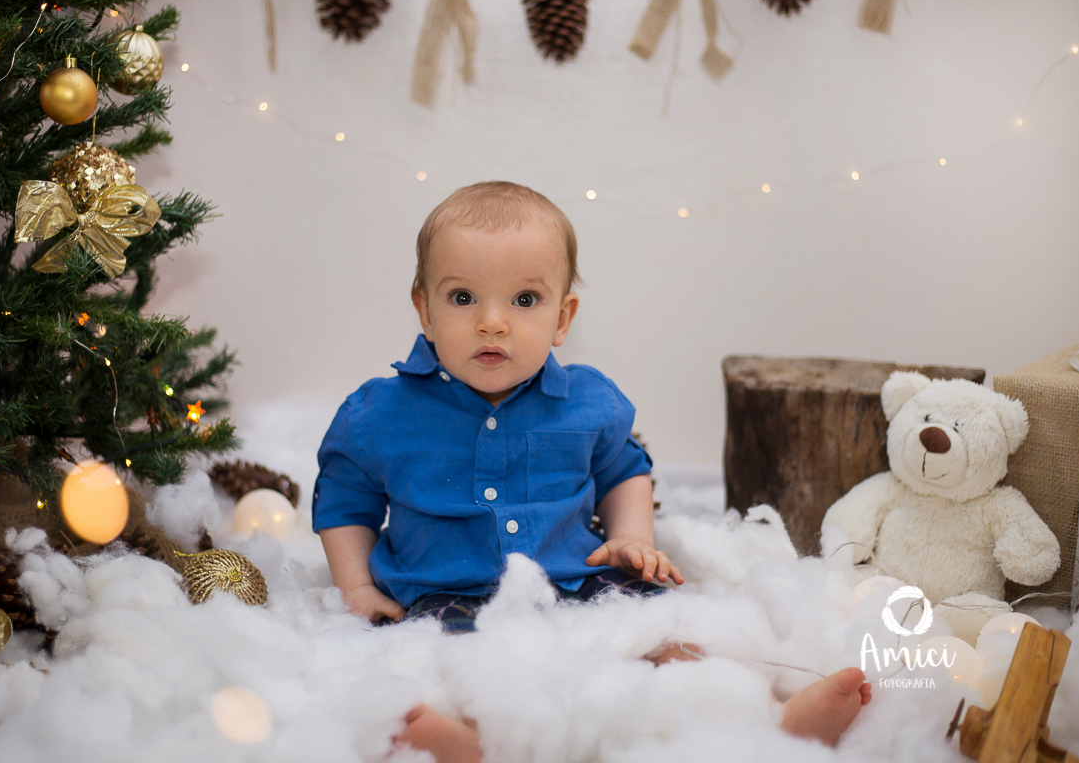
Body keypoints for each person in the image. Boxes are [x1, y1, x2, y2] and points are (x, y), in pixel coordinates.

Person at [312, 182, 871, 762]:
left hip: (581, 581)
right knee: (478, 670)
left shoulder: (586, 401)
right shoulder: (380, 414)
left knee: (668, 634)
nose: (492, 322)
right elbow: (344, 501)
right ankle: (478, 744)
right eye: (463, 297)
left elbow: (624, 469)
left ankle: (766, 716)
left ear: (563, 318)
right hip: (450, 594)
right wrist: (357, 588)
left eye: (524, 299)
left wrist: (631, 538)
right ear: (425, 310)